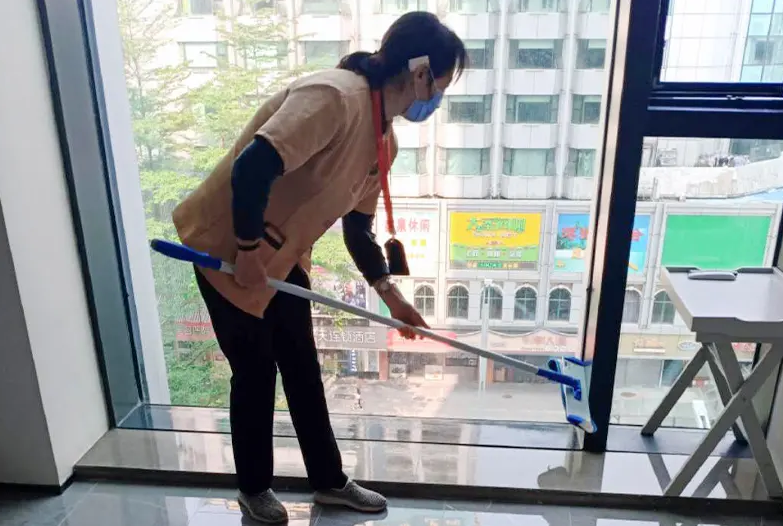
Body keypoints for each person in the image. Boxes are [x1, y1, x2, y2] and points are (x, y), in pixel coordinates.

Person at [171, 11, 467, 525]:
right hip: (226, 249)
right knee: (256, 372)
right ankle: (254, 489)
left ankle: (329, 482)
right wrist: (246, 252)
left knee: (303, 369)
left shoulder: (384, 141)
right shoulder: (334, 97)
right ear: (421, 74)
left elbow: (358, 230)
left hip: (281, 257)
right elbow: (252, 167)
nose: (438, 97)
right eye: (441, 84)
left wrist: (392, 298)